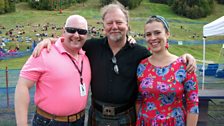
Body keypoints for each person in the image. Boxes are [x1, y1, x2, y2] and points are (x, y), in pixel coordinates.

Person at [32, 2, 196, 126]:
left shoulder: (140, 53)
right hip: (96, 116)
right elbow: (70, 42)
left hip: (127, 117)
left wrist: (185, 57)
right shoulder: (91, 46)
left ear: (127, 25)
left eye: (119, 22)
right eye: (109, 23)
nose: (114, 27)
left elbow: (161, 57)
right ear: (103, 26)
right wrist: (50, 40)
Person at [14, 15, 91, 126]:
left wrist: (51, 39)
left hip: (80, 120)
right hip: (50, 122)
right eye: (71, 30)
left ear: (86, 34)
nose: (76, 35)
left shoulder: (86, 55)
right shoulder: (44, 52)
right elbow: (22, 85)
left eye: (81, 31)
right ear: (63, 31)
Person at [136, 15, 199, 126]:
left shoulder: (184, 65)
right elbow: (138, 100)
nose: (153, 38)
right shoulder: (142, 65)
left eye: (157, 32)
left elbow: (192, 104)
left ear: (167, 34)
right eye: (148, 34)